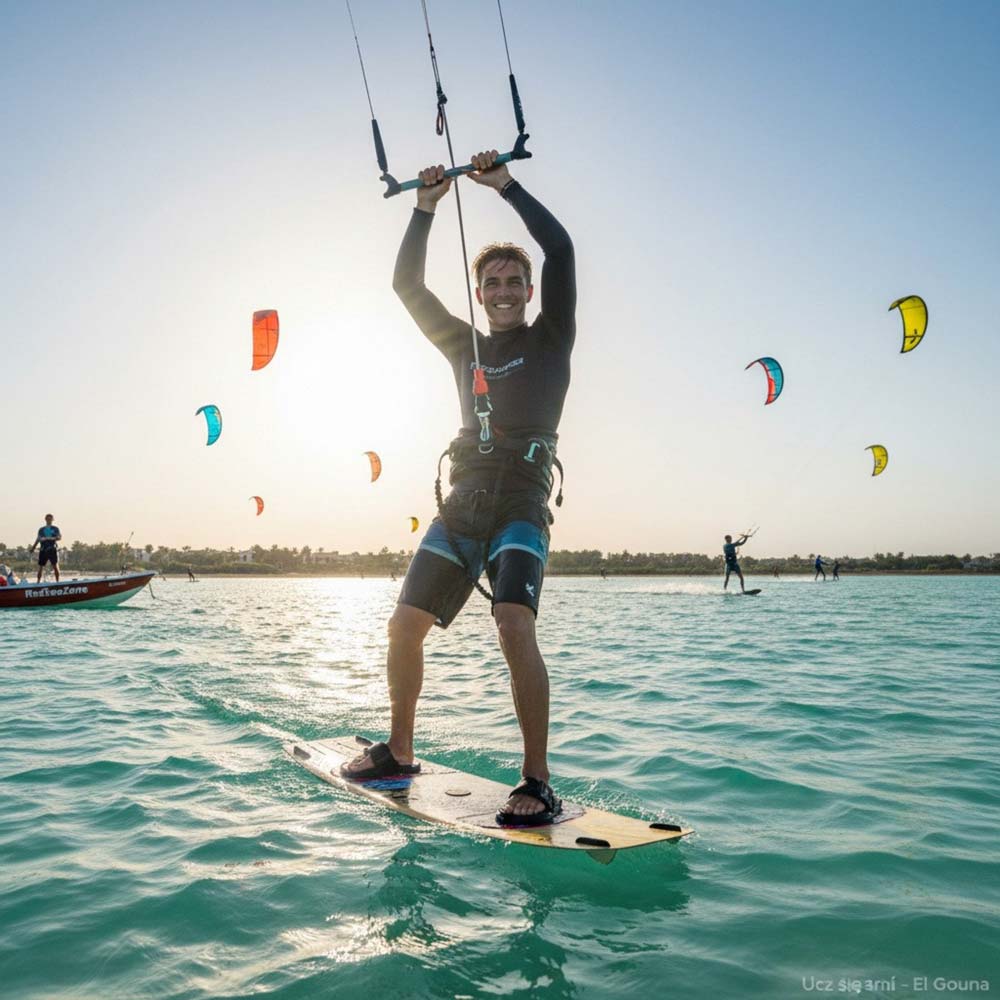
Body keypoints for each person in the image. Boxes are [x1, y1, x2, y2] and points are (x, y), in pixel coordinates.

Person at [341, 150, 575, 828]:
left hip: (522, 503)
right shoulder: (462, 345)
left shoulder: (552, 338)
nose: (503, 290)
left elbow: (557, 247)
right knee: (404, 625)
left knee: (511, 622)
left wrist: (505, 186)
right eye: (492, 282)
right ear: (480, 293)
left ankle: (536, 781)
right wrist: (425, 207)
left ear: (528, 291)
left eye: (513, 281)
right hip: (463, 504)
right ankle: (400, 753)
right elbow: (407, 287)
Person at [30, 514, 62, 583]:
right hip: (43, 550)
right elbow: (38, 539)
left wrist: (50, 538)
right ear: (45, 519)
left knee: (55, 566)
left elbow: (59, 537)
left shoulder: (55, 528)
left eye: (50, 519)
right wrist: (33, 548)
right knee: (40, 566)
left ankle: (57, 582)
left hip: (52, 549)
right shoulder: (41, 529)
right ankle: (38, 582)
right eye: (48, 519)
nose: (49, 520)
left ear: (52, 520)